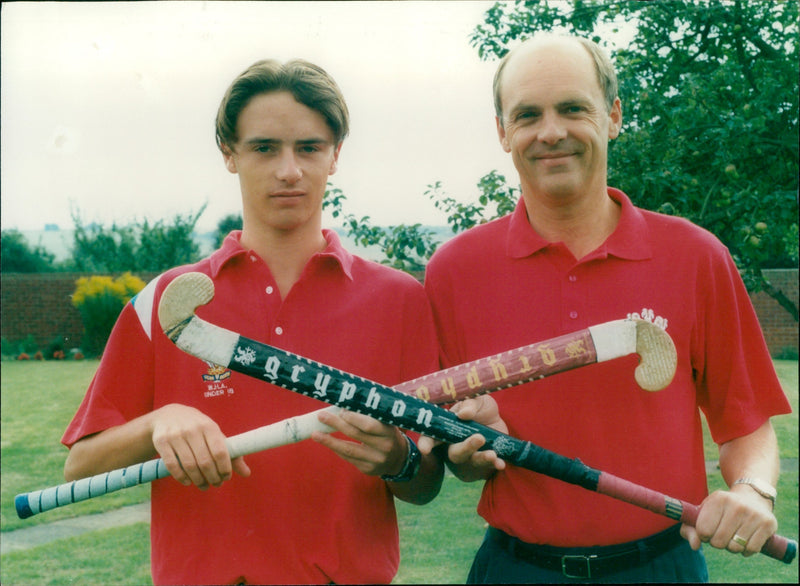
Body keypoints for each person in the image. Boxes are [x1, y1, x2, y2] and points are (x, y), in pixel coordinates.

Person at [421, 34, 791, 583]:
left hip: (661, 567)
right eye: (527, 115)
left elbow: (746, 426)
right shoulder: (453, 270)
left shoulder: (695, 256)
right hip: (515, 568)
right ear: (503, 132)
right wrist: (467, 450)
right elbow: (445, 448)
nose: (551, 132)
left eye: (573, 108)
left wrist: (753, 491)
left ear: (613, 115)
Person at [62, 59, 443, 585]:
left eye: (309, 147)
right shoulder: (164, 302)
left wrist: (397, 459)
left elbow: (426, 483)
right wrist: (157, 423)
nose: (289, 170)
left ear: (335, 156)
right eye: (264, 148)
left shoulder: (400, 299)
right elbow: (81, 467)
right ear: (229, 154)